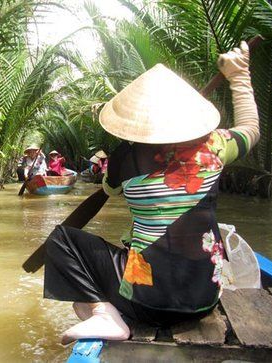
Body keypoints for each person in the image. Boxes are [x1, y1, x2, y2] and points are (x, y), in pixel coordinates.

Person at [43, 42, 260, 345]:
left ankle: (104, 314)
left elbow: (109, 189)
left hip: (147, 303)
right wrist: (239, 75)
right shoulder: (216, 146)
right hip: (204, 297)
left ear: (136, 122)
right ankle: (106, 309)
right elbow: (251, 127)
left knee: (61, 239)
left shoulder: (122, 160)